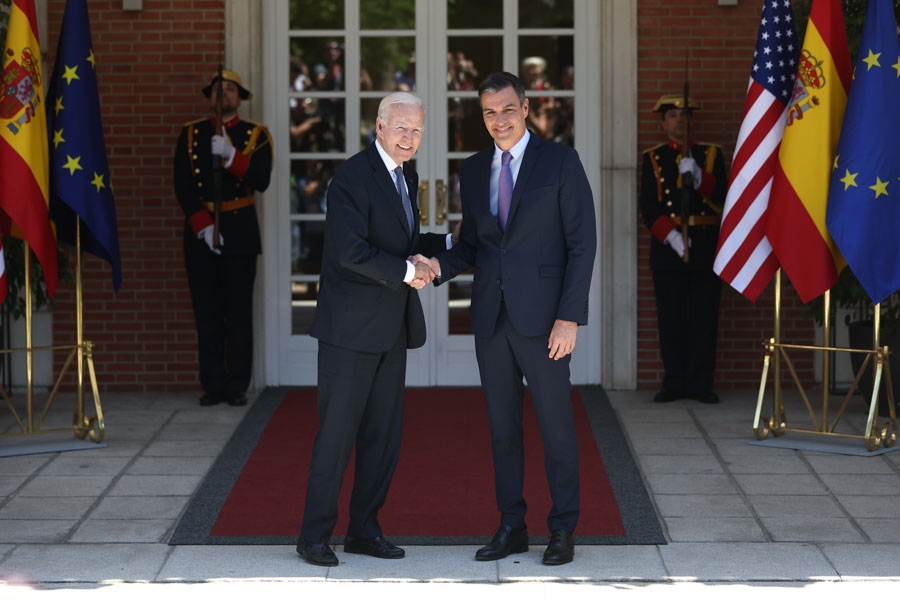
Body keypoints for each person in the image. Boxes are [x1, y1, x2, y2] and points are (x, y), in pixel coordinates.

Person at [418, 72, 596, 566]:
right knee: (502, 430)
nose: (499, 121)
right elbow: (474, 246)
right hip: (491, 320)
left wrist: (570, 317)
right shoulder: (474, 170)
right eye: (489, 113)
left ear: (526, 107)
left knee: (557, 427)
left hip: (544, 322)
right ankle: (512, 525)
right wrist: (436, 268)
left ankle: (562, 529)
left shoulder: (560, 161)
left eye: (508, 110)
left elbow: (583, 245)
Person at [296, 92, 453, 567]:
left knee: (383, 438)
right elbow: (351, 252)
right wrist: (410, 273)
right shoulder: (351, 177)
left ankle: (364, 531)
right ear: (379, 127)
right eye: (401, 128)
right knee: (337, 436)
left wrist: (448, 245)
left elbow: (401, 241)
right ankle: (314, 536)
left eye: (417, 131)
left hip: (390, 329)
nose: (410, 138)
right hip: (349, 332)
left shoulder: (406, 173)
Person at [173, 69, 272, 407]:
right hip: (201, 232)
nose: (223, 95)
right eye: (217, 90)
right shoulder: (190, 135)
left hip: (239, 230)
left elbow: (261, 179)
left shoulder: (255, 135)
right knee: (208, 311)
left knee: (238, 313)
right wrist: (203, 225)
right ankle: (212, 384)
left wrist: (231, 156)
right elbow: (183, 185)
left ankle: (237, 385)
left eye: (230, 90)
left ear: (240, 98)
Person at [639, 93, 727, 405]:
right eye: (673, 115)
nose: (680, 119)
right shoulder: (653, 157)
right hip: (669, 249)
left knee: (704, 319)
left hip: (704, 245)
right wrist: (673, 237)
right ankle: (674, 382)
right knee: (671, 320)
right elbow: (648, 206)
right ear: (663, 123)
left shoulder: (711, 154)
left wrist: (701, 177)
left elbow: (723, 197)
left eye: (684, 114)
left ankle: (701, 384)